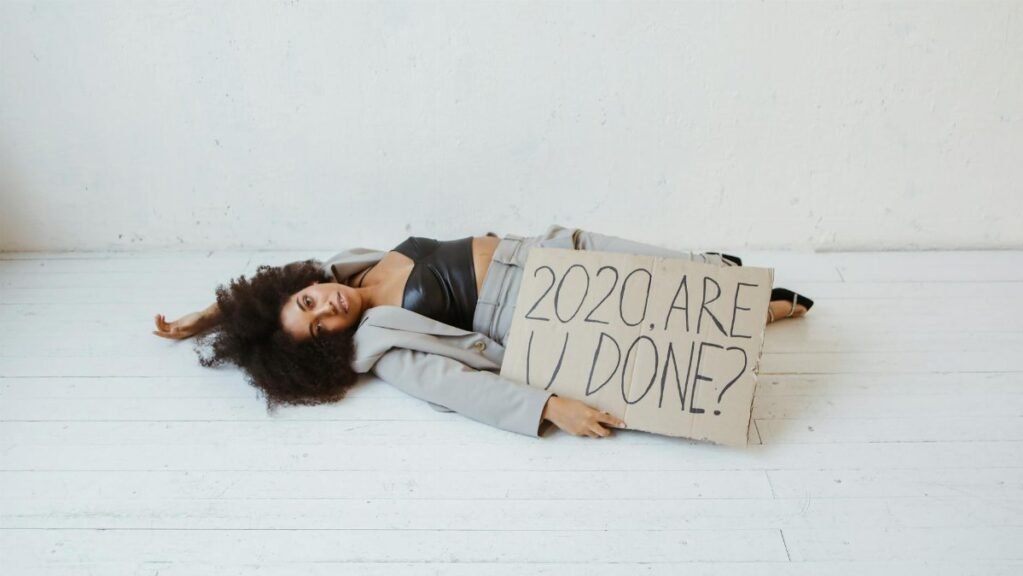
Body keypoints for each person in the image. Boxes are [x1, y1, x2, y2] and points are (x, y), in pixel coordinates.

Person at [153, 225, 813, 439]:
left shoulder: (346, 267)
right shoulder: (379, 344)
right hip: (538, 301)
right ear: (328, 345)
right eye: (318, 325)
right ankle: (747, 311)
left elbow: (271, 292)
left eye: (308, 301)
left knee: (644, 261)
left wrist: (211, 315)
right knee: (641, 308)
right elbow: (453, 386)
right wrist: (548, 407)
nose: (326, 307)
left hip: (541, 251)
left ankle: (717, 278)